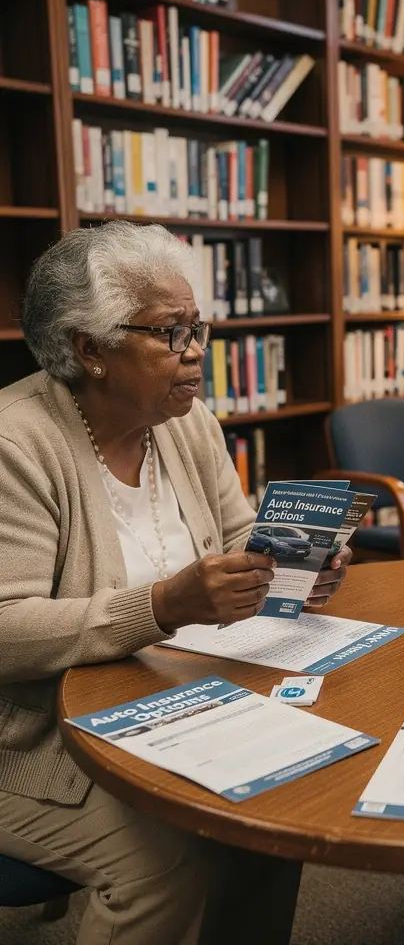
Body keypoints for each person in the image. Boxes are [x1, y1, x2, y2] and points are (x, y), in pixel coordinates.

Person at [0, 221, 351, 945]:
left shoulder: (187, 424)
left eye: (198, 328)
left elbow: (232, 541)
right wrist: (162, 605)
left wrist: (293, 565)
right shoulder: (17, 445)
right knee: (166, 860)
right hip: (32, 740)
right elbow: (7, 629)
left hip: (174, 703)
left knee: (276, 816)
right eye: (170, 333)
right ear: (87, 348)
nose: (196, 354)